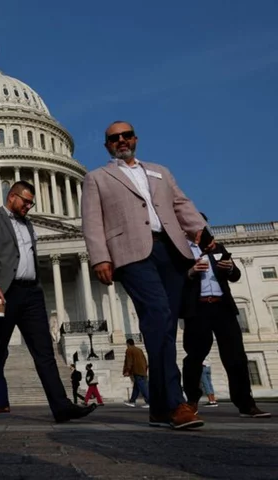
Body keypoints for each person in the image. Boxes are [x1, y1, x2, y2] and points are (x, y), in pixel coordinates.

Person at [81, 121, 207, 430]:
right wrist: (100, 257)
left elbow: (181, 204)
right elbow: (92, 222)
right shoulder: (96, 178)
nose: (121, 141)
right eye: (114, 138)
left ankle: (158, 408)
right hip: (132, 254)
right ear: (107, 145)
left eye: (126, 135)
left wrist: (204, 236)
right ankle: (176, 404)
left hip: (171, 250)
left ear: (135, 139)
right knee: (159, 314)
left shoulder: (160, 171)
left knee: (162, 328)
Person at [0, 181, 96, 425]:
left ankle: (61, 407)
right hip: (3, 293)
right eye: (26, 201)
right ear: (12, 196)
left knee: (45, 353)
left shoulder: (28, 224)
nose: (29, 206)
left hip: (31, 294)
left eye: (31, 202)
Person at [181, 216, 269, 418]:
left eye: (204, 226)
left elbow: (236, 274)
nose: (202, 230)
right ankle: (191, 402)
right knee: (194, 357)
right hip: (198, 308)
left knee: (236, 357)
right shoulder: (182, 251)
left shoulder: (217, 247)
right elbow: (176, 279)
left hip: (223, 307)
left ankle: (246, 404)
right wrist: (191, 271)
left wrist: (229, 268)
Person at [123, 339, 149, 408]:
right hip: (142, 370)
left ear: (128, 344)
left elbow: (129, 361)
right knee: (136, 387)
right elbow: (145, 360)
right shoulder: (139, 350)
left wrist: (127, 371)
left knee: (142, 387)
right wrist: (145, 369)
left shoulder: (129, 350)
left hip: (137, 370)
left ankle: (149, 401)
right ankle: (132, 401)